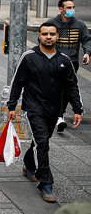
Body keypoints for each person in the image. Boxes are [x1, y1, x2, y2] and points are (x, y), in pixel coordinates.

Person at [6, 22, 83, 203]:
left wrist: (78, 109)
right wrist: (11, 106)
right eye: (45, 34)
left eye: (52, 34)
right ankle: (45, 183)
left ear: (58, 37)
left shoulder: (64, 60)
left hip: (53, 110)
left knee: (41, 141)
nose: (48, 37)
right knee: (42, 143)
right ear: (39, 36)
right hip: (33, 108)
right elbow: (17, 83)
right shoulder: (29, 57)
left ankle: (28, 165)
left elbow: (72, 86)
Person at [47, 0, 91, 132]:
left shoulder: (79, 25)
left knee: (66, 89)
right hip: (55, 62)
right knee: (55, 88)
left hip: (72, 62)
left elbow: (86, 40)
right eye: (69, 8)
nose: (72, 10)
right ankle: (55, 114)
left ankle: (59, 115)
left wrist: (87, 53)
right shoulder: (52, 24)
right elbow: (43, 40)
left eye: (73, 7)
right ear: (61, 9)